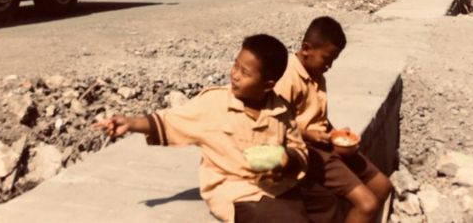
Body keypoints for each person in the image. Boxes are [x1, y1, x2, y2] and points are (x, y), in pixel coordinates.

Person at [93, 34, 310, 223]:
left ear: (268, 85)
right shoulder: (213, 103)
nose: (234, 74)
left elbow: (299, 149)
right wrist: (130, 123)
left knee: (328, 204)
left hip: (276, 185)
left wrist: (285, 158)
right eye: (236, 65)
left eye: (244, 73)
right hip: (236, 190)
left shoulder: (281, 109)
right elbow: (170, 120)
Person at [274, 16, 393, 223]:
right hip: (307, 150)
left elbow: (319, 118)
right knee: (367, 204)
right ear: (306, 49)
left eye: (333, 61)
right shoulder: (287, 77)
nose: (329, 66)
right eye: (326, 59)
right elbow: (274, 125)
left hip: (326, 145)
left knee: (382, 186)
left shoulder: (318, 76)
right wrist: (309, 134)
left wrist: (336, 134)